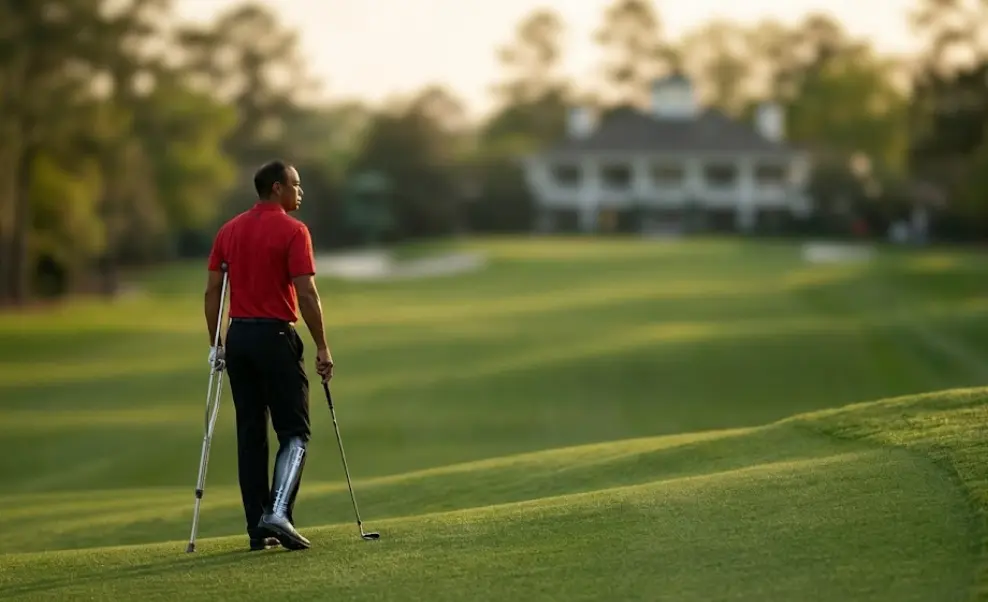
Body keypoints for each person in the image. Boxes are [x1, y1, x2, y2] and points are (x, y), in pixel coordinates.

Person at [203, 160, 334, 551]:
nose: (300, 191)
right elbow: (307, 294)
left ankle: (258, 529)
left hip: (239, 337)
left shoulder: (229, 230)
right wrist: (323, 345)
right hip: (276, 337)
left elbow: (212, 292)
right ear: (277, 188)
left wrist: (216, 344)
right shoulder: (295, 231)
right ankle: (278, 513)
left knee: (251, 435)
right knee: (295, 431)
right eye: (296, 184)